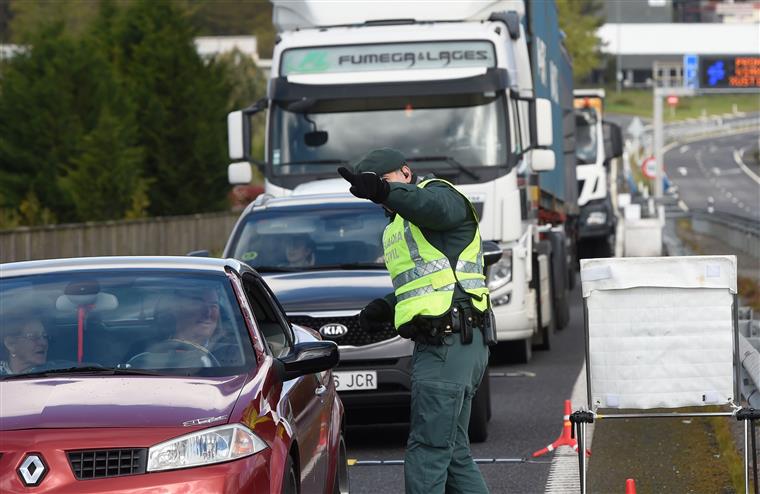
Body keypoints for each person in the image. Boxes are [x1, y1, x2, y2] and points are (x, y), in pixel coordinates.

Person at [338, 148, 493, 494]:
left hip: (448, 346)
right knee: (452, 455)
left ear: (407, 173)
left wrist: (383, 189)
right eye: (373, 189)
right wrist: (384, 307)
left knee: (428, 453)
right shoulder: (400, 226)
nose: (380, 196)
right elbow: (430, 282)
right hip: (453, 343)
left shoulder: (441, 196)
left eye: (385, 183)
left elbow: (429, 208)